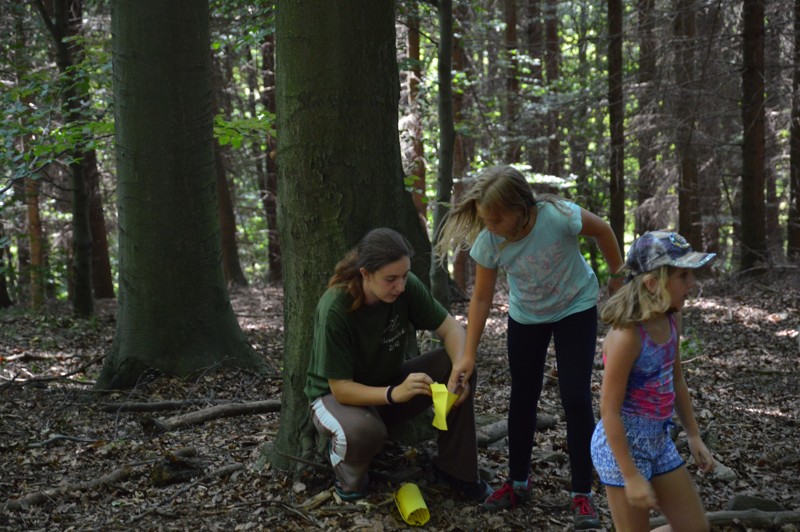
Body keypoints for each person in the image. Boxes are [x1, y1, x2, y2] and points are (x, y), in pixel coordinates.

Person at [434, 165, 624, 528]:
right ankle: (518, 483)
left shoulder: (558, 217)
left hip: (575, 306)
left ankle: (582, 493)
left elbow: (603, 229)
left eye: (496, 218)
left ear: (521, 207)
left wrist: (617, 276)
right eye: (485, 219)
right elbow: (481, 298)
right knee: (523, 395)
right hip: (527, 316)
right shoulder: (490, 241)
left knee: (575, 396)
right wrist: (468, 353)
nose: (490, 225)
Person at [305, 227, 492, 502]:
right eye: (391, 279)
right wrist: (394, 394)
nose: (401, 286)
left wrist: (457, 374)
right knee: (365, 431)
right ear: (365, 273)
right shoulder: (336, 308)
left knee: (458, 364)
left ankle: (456, 471)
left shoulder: (405, 287)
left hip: (388, 387)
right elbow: (341, 389)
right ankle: (349, 481)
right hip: (335, 398)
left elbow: (451, 328)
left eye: (404, 276)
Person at [590, 230, 716, 531]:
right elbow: (609, 411)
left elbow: (676, 380)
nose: (692, 283)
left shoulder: (672, 318)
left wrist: (693, 435)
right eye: (683, 275)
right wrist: (630, 475)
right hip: (622, 446)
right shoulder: (628, 336)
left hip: (658, 440)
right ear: (652, 284)